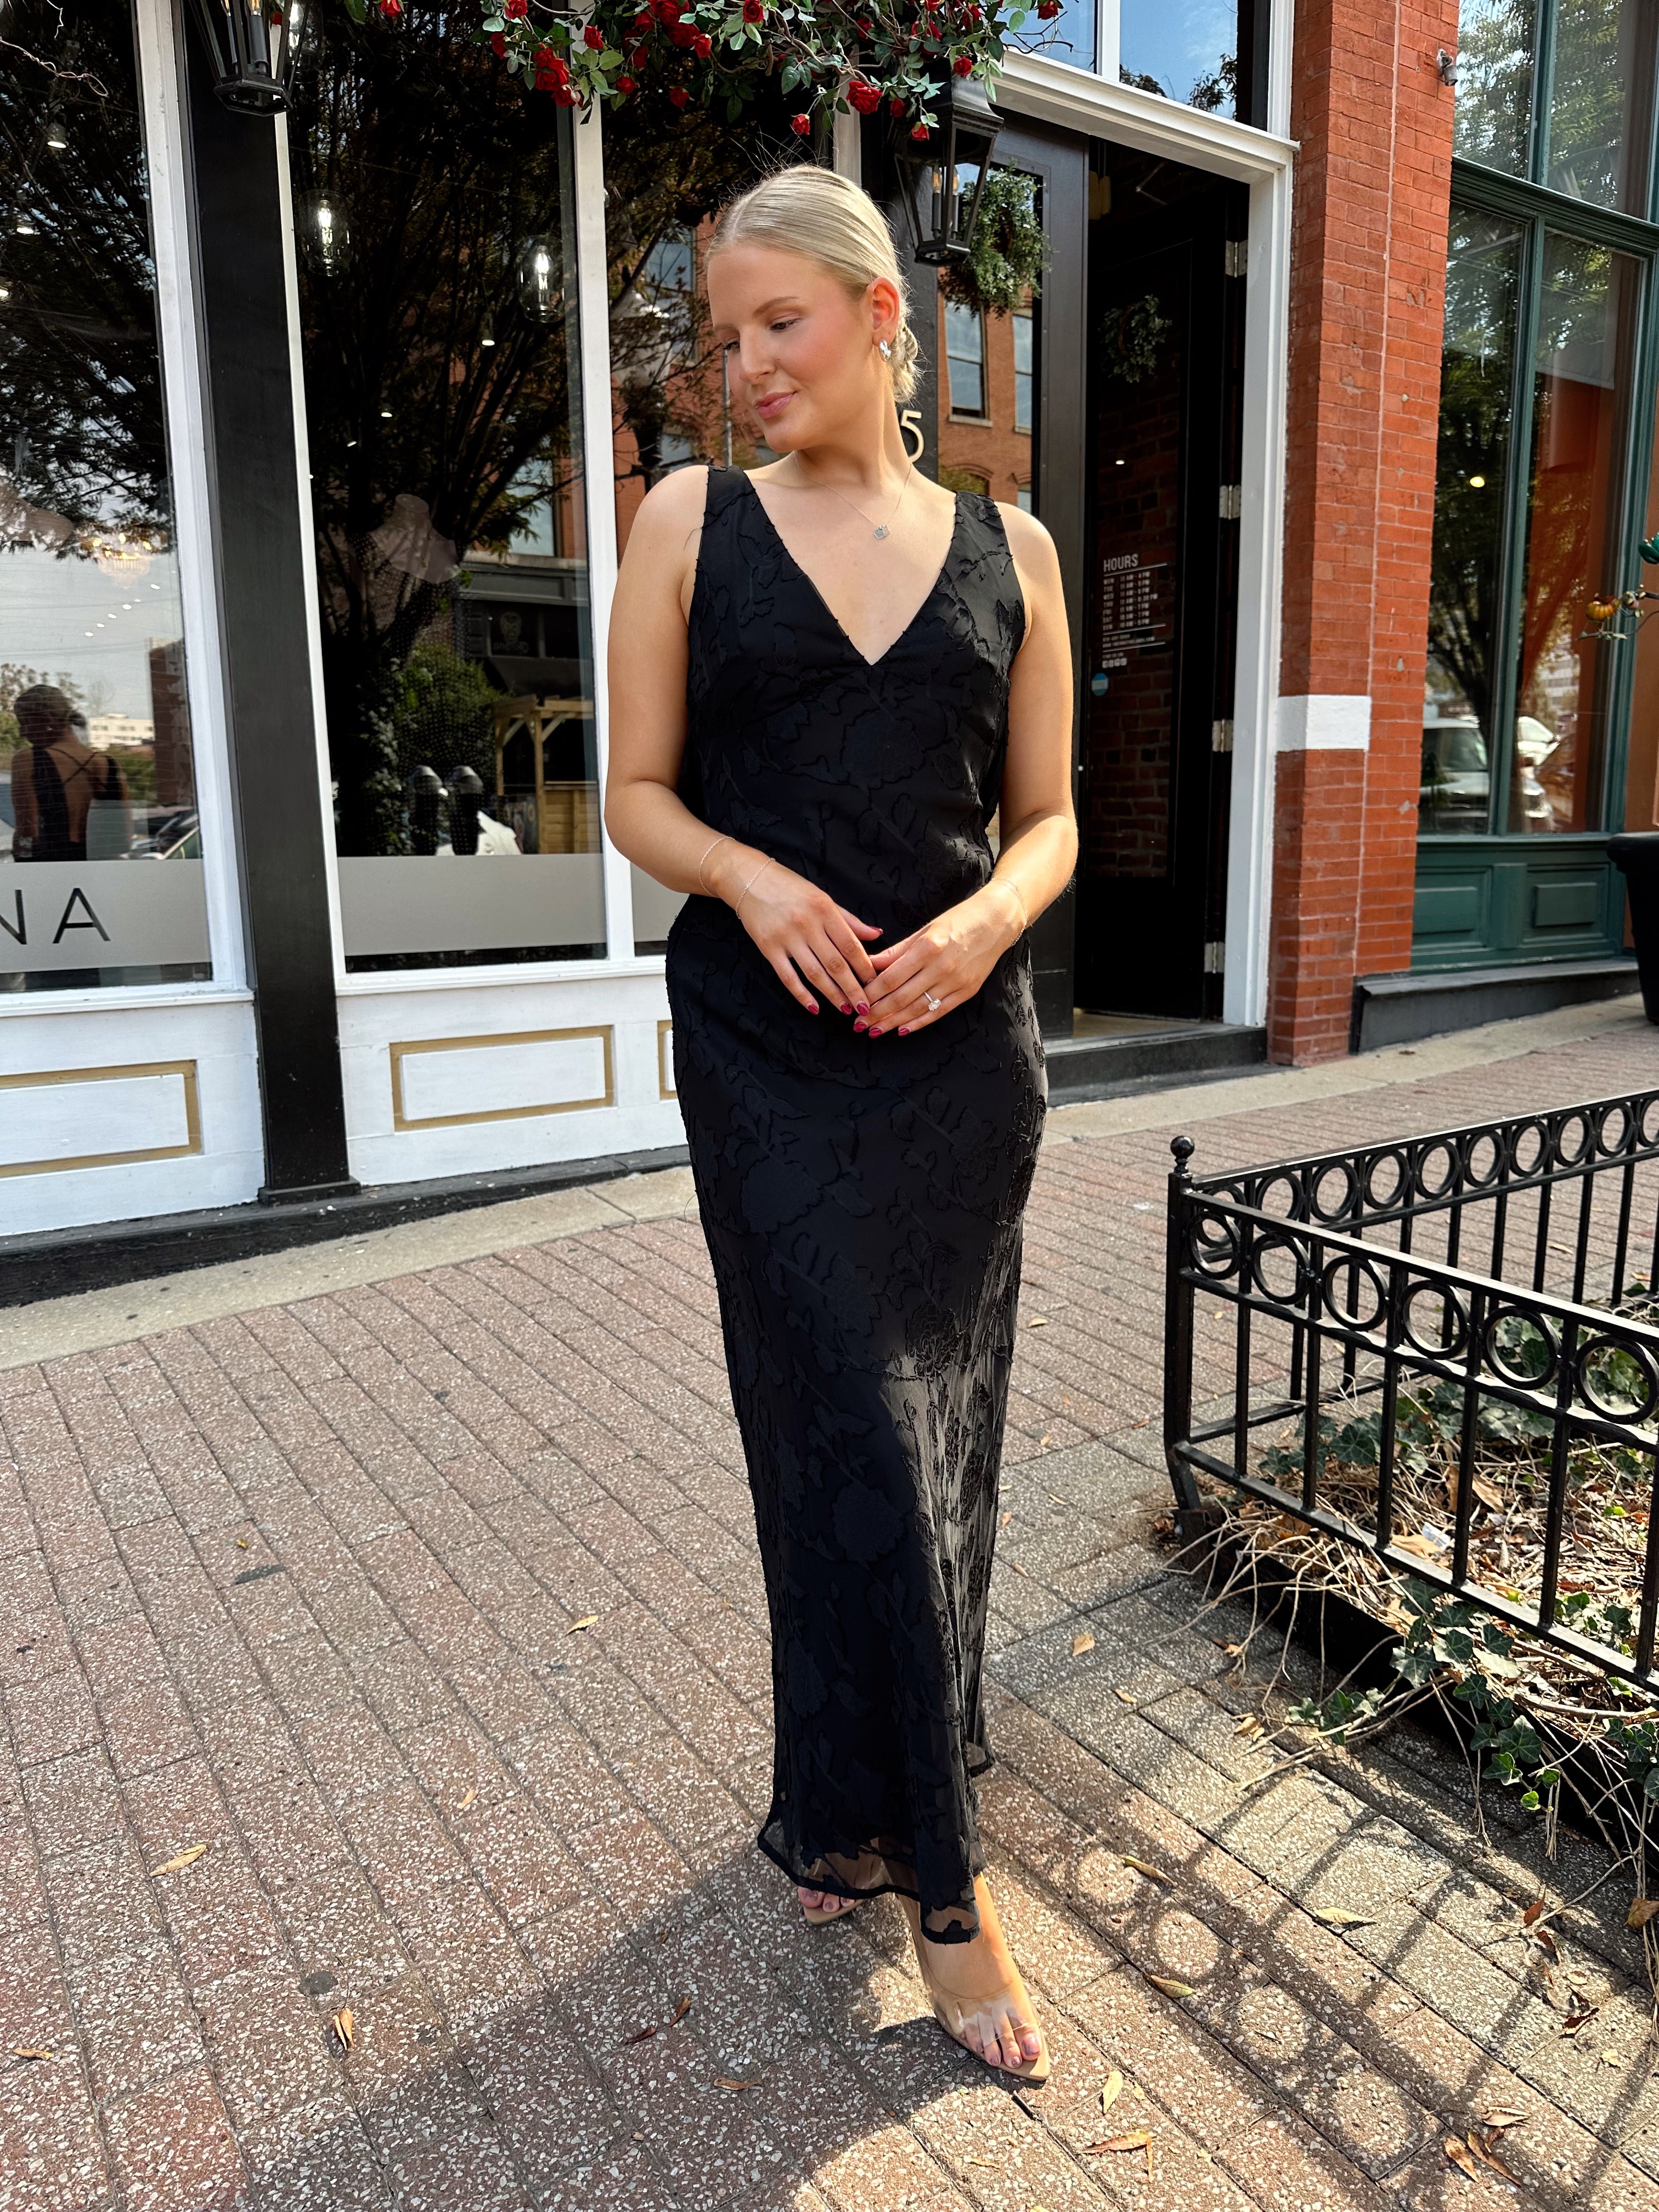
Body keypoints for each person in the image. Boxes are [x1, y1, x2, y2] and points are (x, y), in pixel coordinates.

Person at [605, 165, 1076, 2086]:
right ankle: (950, 1900)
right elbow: (635, 792)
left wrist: (976, 928)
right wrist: (754, 883)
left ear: (888, 317)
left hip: (962, 1068)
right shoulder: (682, 523)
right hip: (770, 1057)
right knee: (843, 1436)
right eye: (723, 339)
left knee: (928, 1445)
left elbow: (1040, 821)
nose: (742, 369)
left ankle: (859, 1795)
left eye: (775, 325)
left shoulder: (1015, 551)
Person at [10, 685, 130, 861]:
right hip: (100, 871)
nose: (23, 733)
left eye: (25, 724)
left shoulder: (29, 760)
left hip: (53, 869)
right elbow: (124, 838)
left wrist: (22, 861)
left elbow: (28, 832)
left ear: (47, 720)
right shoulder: (108, 764)